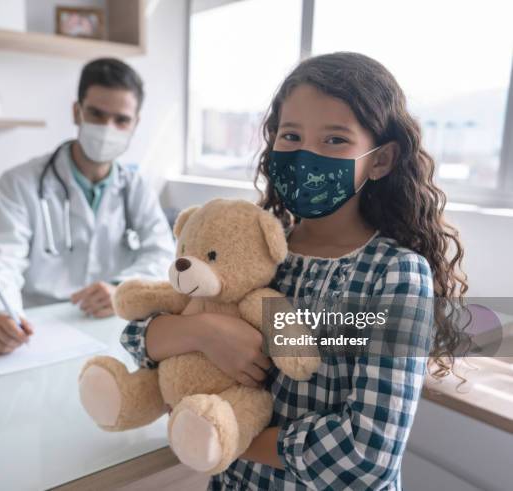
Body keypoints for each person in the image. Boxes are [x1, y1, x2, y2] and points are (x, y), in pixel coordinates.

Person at [119, 52, 467, 490]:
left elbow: (366, 455)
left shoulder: (395, 275)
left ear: (380, 160)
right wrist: (203, 332)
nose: (306, 156)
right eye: (291, 135)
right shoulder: (257, 249)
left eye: (335, 140)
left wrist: (219, 436)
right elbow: (136, 337)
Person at [0, 58, 175, 356]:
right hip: (36, 329)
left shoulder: (136, 187)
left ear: (135, 124)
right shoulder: (20, 183)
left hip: (110, 329)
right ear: (77, 112)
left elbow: (161, 253)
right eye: (96, 114)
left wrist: (122, 289)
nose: (108, 128)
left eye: (121, 120)